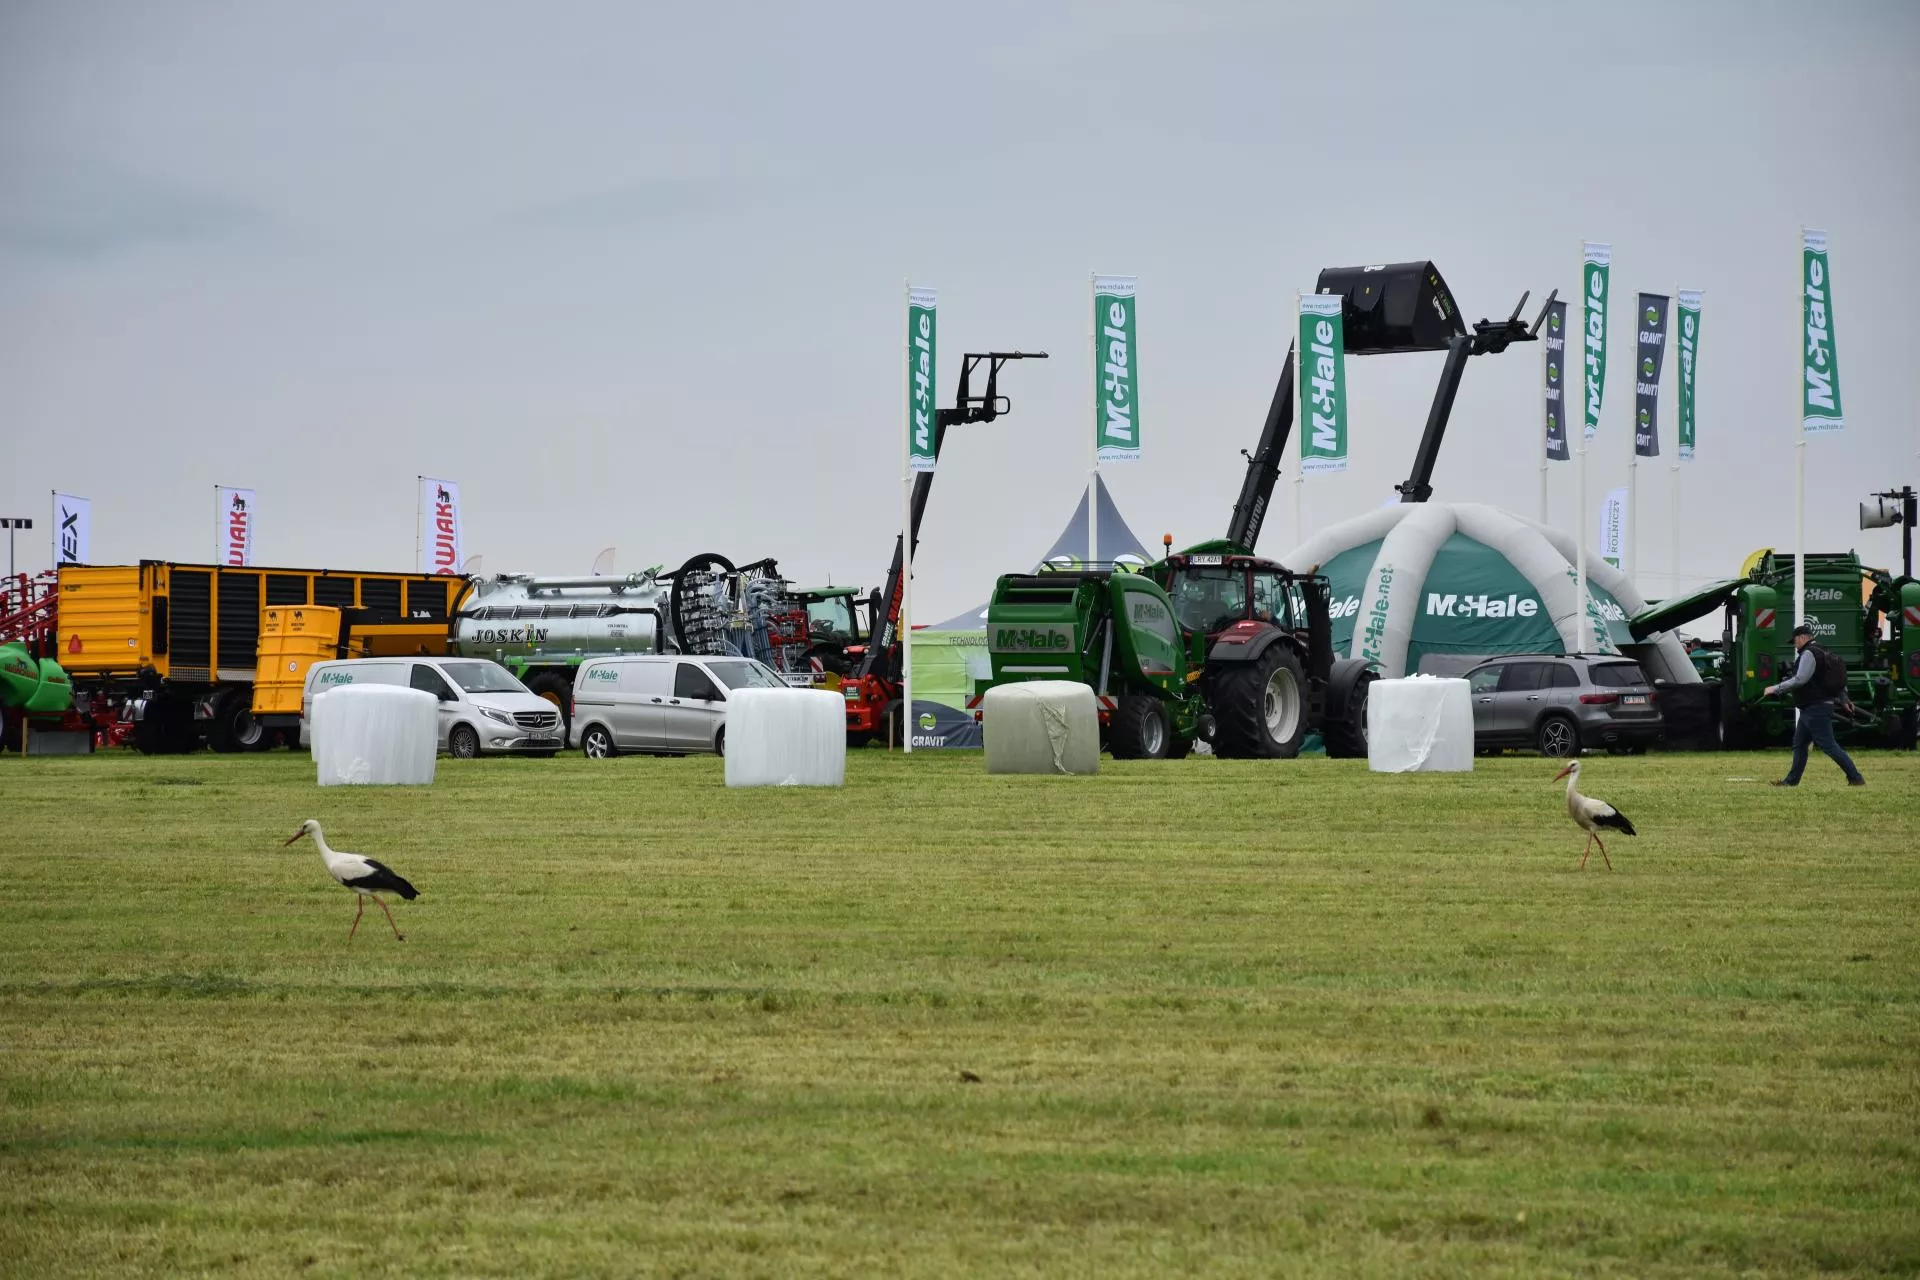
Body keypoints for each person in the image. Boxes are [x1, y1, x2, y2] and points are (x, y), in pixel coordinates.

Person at [1765, 623, 1864, 787]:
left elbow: (1800, 679)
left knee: (1828, 745)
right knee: (1800, 744)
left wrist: (1775, 689)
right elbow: (1837, 680)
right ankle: (1791, 781)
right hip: (1812, 708)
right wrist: (1844, 699)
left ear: (1803, 637)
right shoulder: (1825, 651)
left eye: (1795, 641)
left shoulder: (1809, 653)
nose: (1795, 645)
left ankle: (1855, 777)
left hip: (1815, 707)